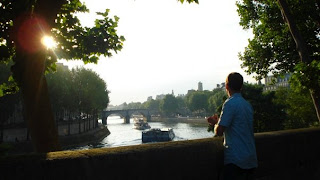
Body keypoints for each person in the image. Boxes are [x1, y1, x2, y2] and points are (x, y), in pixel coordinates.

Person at [207, 72, 258, 180]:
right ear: (241, 86)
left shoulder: (230, 103)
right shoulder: (247, 105)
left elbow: (219, 131)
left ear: (226, 86)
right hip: (250, 158)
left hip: (236, 159)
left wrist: (215, 123)